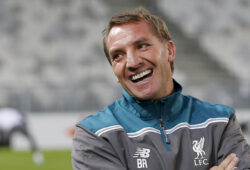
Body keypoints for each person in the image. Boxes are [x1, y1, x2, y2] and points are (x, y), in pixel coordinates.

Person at [72, 7, 250, 170]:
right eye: (118, 55)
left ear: (170, 51)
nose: (132, 62)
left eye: (142, 46)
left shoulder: (219, 122)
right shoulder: (94, 134)